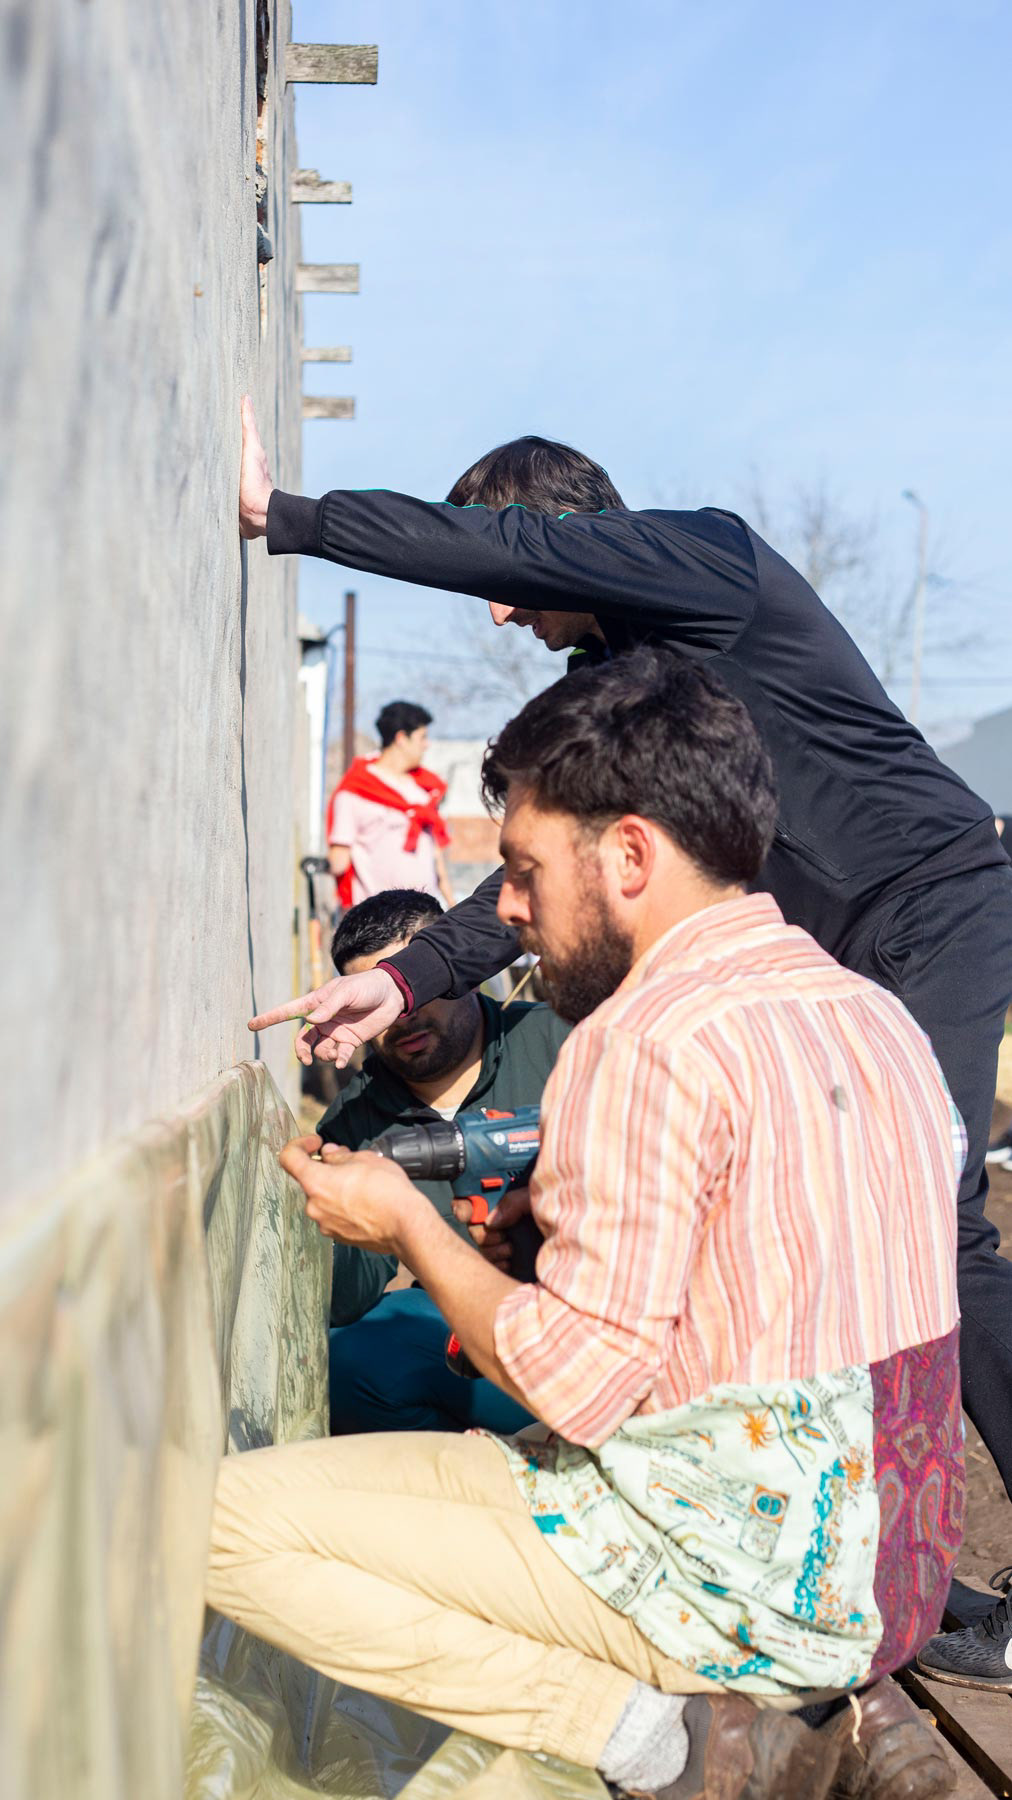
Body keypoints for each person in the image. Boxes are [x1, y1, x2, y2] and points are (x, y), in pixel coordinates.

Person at [239, 405, 1012, 1688]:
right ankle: (848, 1553)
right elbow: (552, 870)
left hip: (924, 903)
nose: (501, 613)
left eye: (505, 572)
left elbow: (512, 561)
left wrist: (294, 520)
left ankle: (887, 1568)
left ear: (555, 531)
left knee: (929, 1217)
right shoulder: (620, 698)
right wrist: (402, 976)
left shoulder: (712, 564)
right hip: (816, 951)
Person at [208, 650, 963, 1800]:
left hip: (735, 1579)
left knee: (218, 1522)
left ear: (629, 856)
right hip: (891, 1563)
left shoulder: (642, 1039)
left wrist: (412, 1226)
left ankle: (663, 1740)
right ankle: (797, 1707)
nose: (507, 912)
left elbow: (572, 1386)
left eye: (522, 873)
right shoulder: (869, 1012)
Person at [318, 886, 568, 1436]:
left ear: (461, 973)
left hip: (591, 1316)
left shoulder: (563, 1042)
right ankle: (474, 1466)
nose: (399, 1020)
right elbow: (344, 1303)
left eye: (410, 991)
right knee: (356, 1361)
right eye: (372, 1007)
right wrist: (335, 1212)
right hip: (468, 1337)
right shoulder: (353, 1123)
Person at [326, 699, 455, 908]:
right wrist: (322, 867)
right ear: (401, 738)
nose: (427, 745)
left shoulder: (423, 790)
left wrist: (451, 901)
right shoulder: (355, 791)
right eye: (422, 737)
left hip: (426, 915)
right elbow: (340, 856)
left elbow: (435, 854)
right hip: (376, 917)